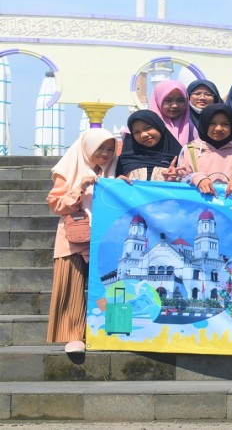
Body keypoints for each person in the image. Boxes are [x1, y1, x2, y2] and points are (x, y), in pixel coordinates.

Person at [46, 128, 117, 353]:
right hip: (74, 238)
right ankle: (73, 335)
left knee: (112, 285)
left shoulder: (114, 170)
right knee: (72, 285)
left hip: (106, 237)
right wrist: (80, 187)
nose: (105, 153)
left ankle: (112, 329)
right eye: (100, 148)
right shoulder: (69, 170)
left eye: (110, 149)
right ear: (87, 148)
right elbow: (56, 204)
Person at [177, 103, 232, 198]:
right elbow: (181, 181)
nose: (218, 128)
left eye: (225, 124)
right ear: (204, 124)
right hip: (199, 205)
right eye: (212, 123)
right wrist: (195, 178)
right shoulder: (189, 149)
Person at [116, 110, 183, 182]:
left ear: (159, 127)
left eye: (148, 128)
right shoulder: (124, 161)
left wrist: (175, 179)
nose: (143, 135)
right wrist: (117, 182)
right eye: (137, 132)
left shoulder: (180, 158)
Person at [149, 80, 193, 145]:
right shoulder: (145, 128)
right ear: (157, 101)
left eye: (180, 100)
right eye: (168, 100)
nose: (174, 105)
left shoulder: (192, 130)